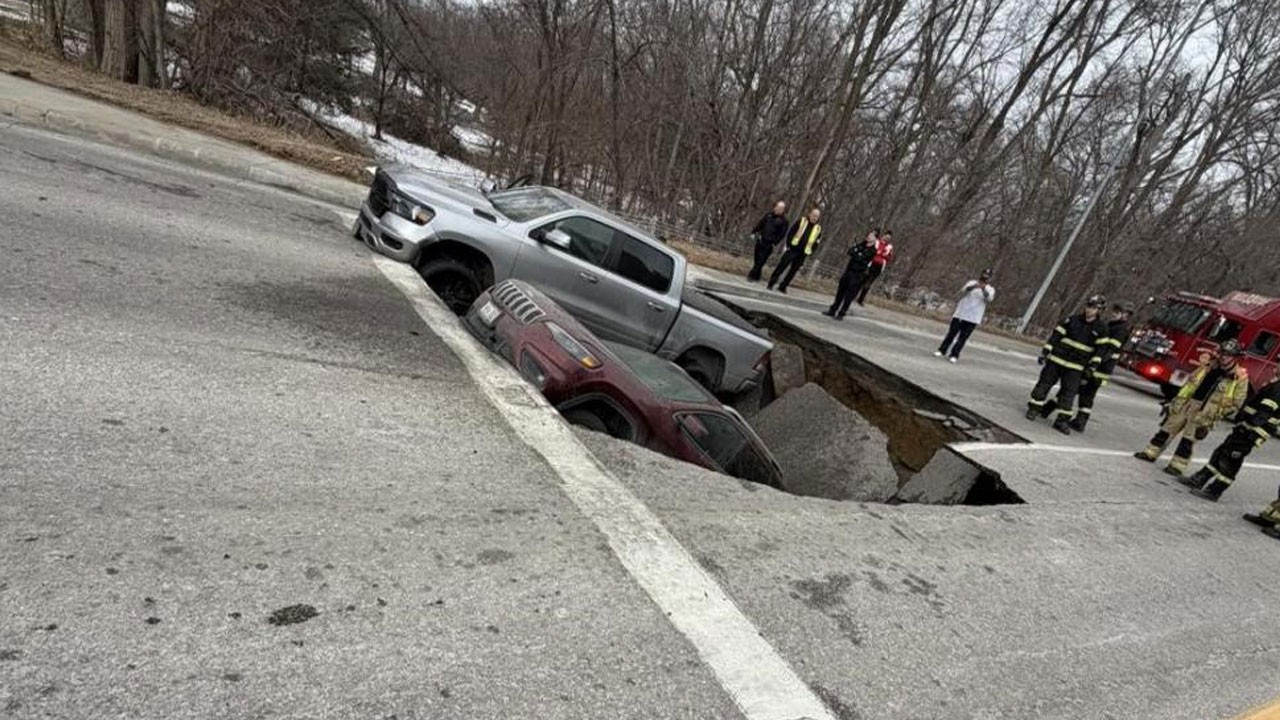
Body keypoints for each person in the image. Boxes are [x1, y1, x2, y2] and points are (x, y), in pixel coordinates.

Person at [1133, 339, 1249, 478]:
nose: (1224, 357)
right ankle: (1150, 453)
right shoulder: (1208, 366)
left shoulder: (1239, 377)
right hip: (1188, 403)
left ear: (1235, 357)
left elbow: (1237, 402)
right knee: (1167, 429)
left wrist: (1216, 414)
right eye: (1223, 353)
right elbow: (1190, 383)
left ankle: (1177, 466)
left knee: (1188, 440)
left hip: (1205, 412)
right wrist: (1177, 401)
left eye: (1228, 354)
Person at [1179, 375, 1280, 502]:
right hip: (1244, 428)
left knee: (1231, 460)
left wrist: (1248, 425)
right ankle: (1199, 479)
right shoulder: (1275, 383)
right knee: (1221, 452)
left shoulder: (1278, 388)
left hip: (1250, 431)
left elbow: (1265, 411)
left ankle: (1214, 491)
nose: (1277, 366)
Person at [1026, 295, 1106, 434]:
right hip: (1056, 360)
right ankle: (1034, 409)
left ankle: (1061, 421)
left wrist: (1092, 366)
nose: (1089, 310)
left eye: (1093, 307)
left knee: (1068, 394)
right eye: (1089, 306)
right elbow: (1056, 336)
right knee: (1044, 384)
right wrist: (1046, 352)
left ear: (1099, 310)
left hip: (1076, 367)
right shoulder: (1072, 320)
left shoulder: (1101, 328)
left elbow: (1100, 351)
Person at [1066, 301, 1134, 432]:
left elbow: (1109, 350)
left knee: (1081, 392)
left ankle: (1078, 421)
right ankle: (1079, 421)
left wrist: (1094, 364)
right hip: (1100, 368)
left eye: (1118, 312)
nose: (1114, 314)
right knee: (1082, 392)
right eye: (1114, 311)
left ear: (1125, 315)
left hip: (1101, 369)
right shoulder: (1113, 326)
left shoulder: (1121, 329)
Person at [934, 269, 995, 363]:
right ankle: (942, 350)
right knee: (951, 333)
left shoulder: (990, 289)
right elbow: (964, 290)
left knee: (963, 338)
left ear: (990, 278)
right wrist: (975, 286)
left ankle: (954, 355)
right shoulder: (972, 282)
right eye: (984, 274)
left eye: (987, 276)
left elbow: (989, 299)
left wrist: (983, 289)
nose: (985, 277)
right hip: (960, 314)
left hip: (973, 318)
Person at [824, 229, 879, 319]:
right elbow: (850, 252)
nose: (868, 236)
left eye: (871, 236)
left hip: (858, 274)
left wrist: (857, 253)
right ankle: (833, 309)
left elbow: (862, 259)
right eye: (869, 234)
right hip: (849, 270)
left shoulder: (873, 250)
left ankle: (842, 312)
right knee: (840, 291)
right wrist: (858, 253)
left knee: (849, 295)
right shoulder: (861, 244)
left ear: (875, 239)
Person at [767, 207, 822, 294]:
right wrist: (789, 244)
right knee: (782, 266)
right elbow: (791, 232)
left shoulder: (818, 228)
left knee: (793, 271)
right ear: (810, 214)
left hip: (803, 253)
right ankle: (771, 283)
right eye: (814, 215)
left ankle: (783, 286)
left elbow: (817, 242)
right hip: (793, 249)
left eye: (817, 216)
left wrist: (811, 251)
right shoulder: (802, 221)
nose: (814, 217)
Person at [746, 201, 789, 282]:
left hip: (769, 243)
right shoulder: (769, 215)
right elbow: (761, 223)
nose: (777, 209)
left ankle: (751, 275)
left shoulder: (784, 221)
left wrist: (774, 243)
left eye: (780, 208)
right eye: (777, 207)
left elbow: (782, 234)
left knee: (761, 260)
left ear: (783, 210)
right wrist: (754, 231)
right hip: (761, 239)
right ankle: (757, 276)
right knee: (757, 258)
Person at [855, 229, 894, 305]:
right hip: (871, 263)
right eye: (886, 237)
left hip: (879, 266)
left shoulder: (889, 247)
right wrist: (880, 253)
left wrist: (883, 255)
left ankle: (861, 299)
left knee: (869, 282)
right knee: (863, 279)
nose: (887, 239)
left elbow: (889, 257)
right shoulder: (877, 242)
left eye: (889, 238)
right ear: (884, 235)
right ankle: (853, 294)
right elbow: (874, 251)